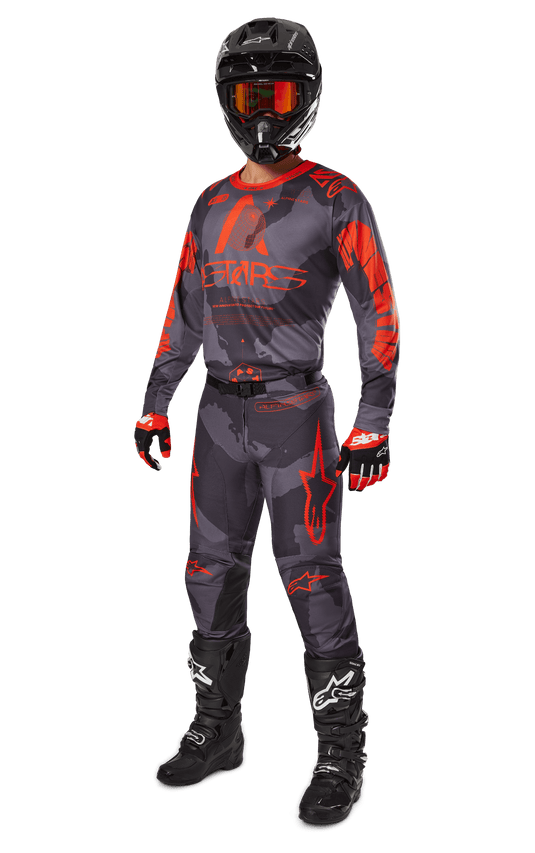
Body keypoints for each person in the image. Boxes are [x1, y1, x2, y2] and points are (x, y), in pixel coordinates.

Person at [133, 16, 400, 832]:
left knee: (311, 576)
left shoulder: (336, 197)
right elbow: (184, 306)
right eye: (249, 95)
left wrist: (375, 413)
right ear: (225, 100)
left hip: (296, 414)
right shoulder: (208, 204)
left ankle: (340, 751)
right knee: (207, 572)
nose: (263, 112)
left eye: (278, 94)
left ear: (307, 99)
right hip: (218, 414)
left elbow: (377, 307)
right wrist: (156, 396)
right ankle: (217, 729)